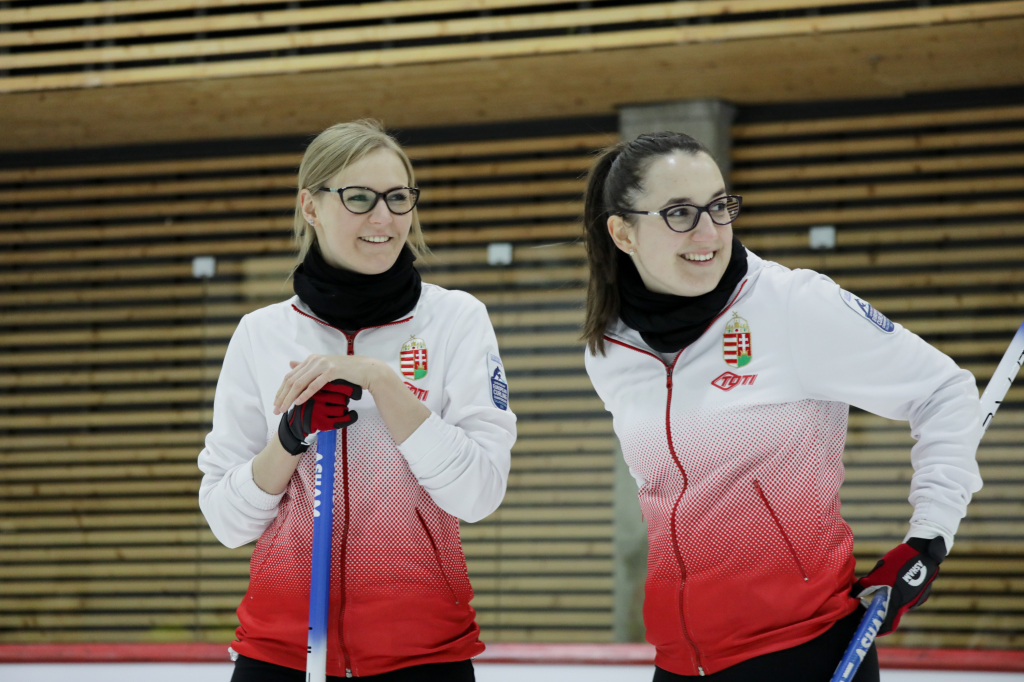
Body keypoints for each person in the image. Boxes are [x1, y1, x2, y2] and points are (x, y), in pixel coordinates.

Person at [582, 132, 983, 681]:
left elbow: (944, 390)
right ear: (622, 231)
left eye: (719, 207)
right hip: (681, 662)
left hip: (806, 651)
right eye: (680, 213)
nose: (709, 232)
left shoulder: (792, 306)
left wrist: (928, 539)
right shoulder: (611, 348)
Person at [198, 120, 516, 681]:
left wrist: (382, 382)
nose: (384, 218)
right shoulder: (261, 333)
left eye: (398, 198)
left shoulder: (456, 320)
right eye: (359, 198)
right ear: (311, 206)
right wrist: (289, 439)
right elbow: (226, 520)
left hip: (422, 655)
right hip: (281, 654)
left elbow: (478, 493)